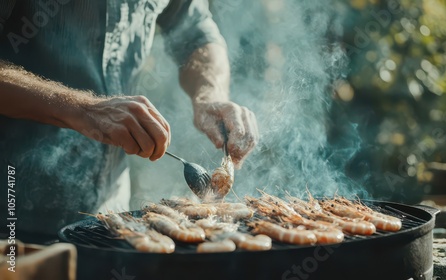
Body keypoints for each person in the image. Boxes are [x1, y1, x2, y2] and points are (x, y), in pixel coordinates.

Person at [0, 0, 259, 240]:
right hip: (11, 215)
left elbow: (195, 33)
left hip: (109, 221)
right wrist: (82, 109)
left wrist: (209, 96)